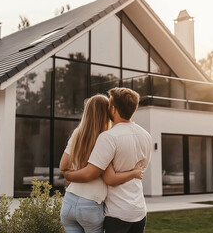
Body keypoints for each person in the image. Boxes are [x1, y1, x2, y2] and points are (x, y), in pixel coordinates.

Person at [65, 87, 152, 233]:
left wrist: (68, 175)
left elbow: (104, 177)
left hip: (118, 213)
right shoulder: (146, 136)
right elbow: (141, 170)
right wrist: (133, 173)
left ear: (113, 109)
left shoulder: (108, 137)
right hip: (139, 210)